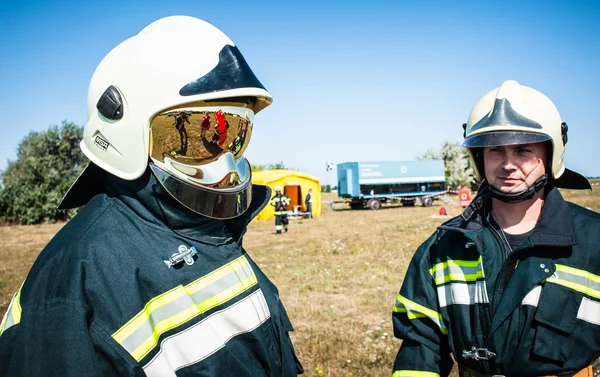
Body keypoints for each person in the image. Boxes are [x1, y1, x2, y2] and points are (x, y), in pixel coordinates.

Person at [0, 16, 303, 377]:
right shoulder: (70, 286)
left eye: (235, 134)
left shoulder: (208, 228)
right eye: (194, 136)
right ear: (127, 128)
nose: (225, 161)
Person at [391, 80, 599, 377]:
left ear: (550, 155)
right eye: (496, 150)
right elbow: (420, 348)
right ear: (480, 157)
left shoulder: (594, 242)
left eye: (523, 150)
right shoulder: (441, 248)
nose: (508, 164)